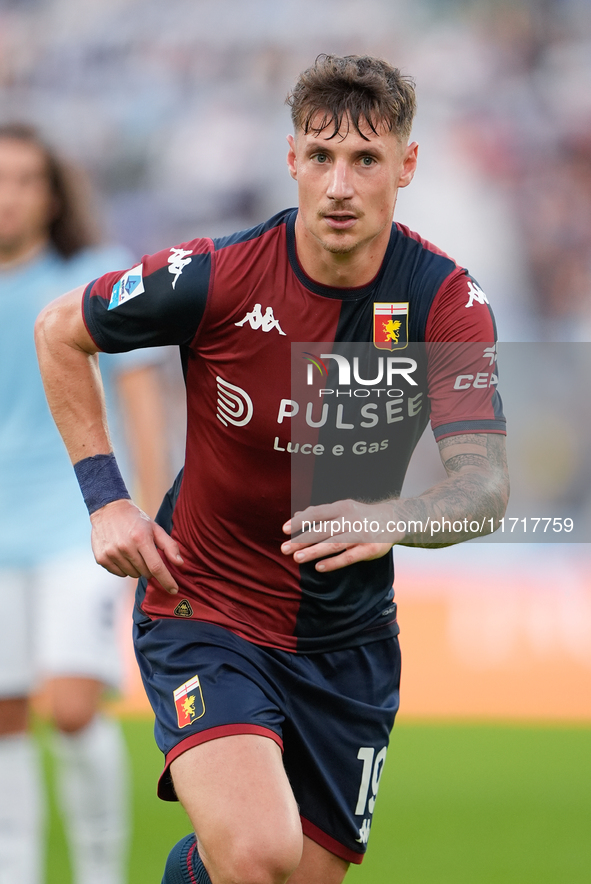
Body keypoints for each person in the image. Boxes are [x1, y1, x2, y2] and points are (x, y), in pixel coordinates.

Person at [35, 55, 509, 884]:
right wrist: (106, 500)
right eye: (320, 157)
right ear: (290, 158)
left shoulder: (443, 304)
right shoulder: (216, 276)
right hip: (203, 606)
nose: (338, 185)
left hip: (347, 644)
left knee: (287, 875)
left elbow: (484, 486)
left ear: (406, 164)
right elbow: (59, 330)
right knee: (257, 853)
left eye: (365, 160)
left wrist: (390, 518)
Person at [0, 124, 172, 884]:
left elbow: (141, 397)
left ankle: (99, 876)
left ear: (51, 193)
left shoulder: (93, 279)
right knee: (4, 719)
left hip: (80, 525)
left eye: (24, 179)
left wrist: (155, 510)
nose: (7, 196)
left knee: (70, 707)